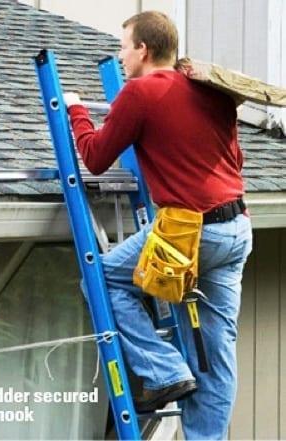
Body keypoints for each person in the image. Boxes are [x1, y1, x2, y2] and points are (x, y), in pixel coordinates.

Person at [64, 10, 252, 440]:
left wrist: (75, 109)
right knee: (216, 353)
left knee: (103, 280)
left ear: (143, 50)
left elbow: (94, 158)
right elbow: (235, 161)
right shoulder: (212, 91)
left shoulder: (141, 92)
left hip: (188, 231)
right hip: (236, 228)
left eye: (123, 46)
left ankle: (164, 369)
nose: (121, 55)